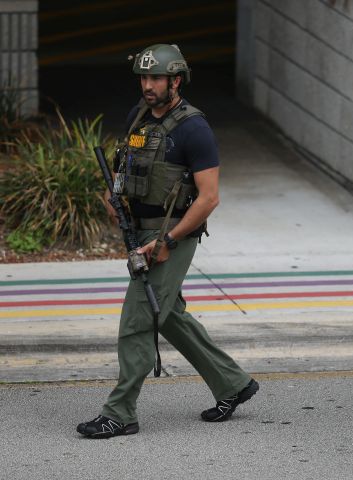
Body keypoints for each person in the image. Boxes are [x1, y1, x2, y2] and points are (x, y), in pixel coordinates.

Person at [77, 44, 258, 439]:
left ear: (176, 80)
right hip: (140, 231)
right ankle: (233, 384)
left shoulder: (194, 128)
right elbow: (128, 167)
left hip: (171, 234)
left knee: (137, 321)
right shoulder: (139, 116)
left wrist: (168, 242)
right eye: (143, 77)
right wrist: (115, 198)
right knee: (169, 314)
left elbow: (209, 197)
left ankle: (120, 413)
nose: (148, 85)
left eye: (156, 78)